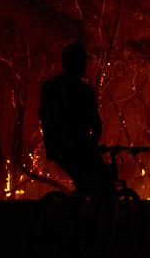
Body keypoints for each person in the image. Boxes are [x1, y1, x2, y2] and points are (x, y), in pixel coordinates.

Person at [38, 43, 114, 198]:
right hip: (79, 146)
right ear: (79, 63)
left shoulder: (50, 87)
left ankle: (73, 213)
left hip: (56, 147)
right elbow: (96, 124)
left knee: (82, 182)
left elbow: (43, 117)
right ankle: (97, 220)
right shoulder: (84, 91)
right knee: (106, 185)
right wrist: (91, 145)